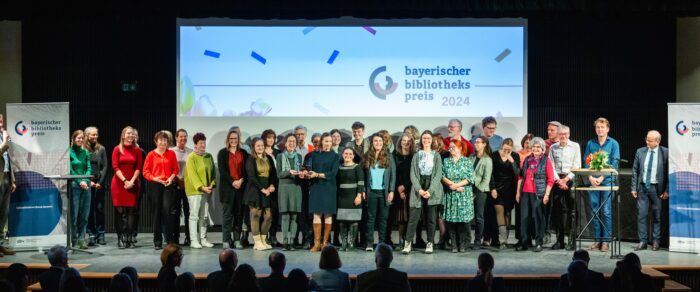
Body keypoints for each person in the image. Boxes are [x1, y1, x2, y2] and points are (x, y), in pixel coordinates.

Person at [583, 117, 620, 252]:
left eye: (602, 127)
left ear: (607, 129)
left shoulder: (613, 144)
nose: (600, 129)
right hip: (593, 181)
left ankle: (606, 241)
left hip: (607, 181)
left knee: (606, 211)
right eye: (598, 127)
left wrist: (602, 177)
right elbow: (586, 161)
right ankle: (597, 240)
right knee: (595, 211)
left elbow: (615, 163)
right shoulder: (590, 143)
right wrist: (591, 177)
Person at [403, 131, 443, 254]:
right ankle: (408, 243)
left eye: (428, 138)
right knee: (413, 218)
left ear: (432, 140)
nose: (426, 140)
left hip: (432, 188)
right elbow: (413, 174)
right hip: (418, 187)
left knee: (431, 218)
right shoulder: (416, 155)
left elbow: (438, 174)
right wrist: (419, 189)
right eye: (424, 138)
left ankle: (430, 243)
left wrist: (430, 190)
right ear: (421, 140)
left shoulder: (436, 155)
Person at [515, 137, 555, 252]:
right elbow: (520, 176)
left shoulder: (546, 161)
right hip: (525, 193)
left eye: (538, 147)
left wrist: (547, 195)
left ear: (542, 149)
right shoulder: (527, 159)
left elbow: (551, 179)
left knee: (538, 219)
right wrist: (518, 192)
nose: (536, 148)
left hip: (538, 194)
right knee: (524, 219)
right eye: (534, 146)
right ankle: (524, 242)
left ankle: (538, 243)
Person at [631, 130, 668, 251]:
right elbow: (635, 171)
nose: (647, 142)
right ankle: (643, 241)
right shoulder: (640, 151)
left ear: (657, 142)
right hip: (642, 187)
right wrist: (633, 188)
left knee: (657, 216)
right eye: (646, 139)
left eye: (650, 140)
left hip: (657, 188)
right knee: (641, 215)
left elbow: (669, 174)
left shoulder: (665, 152)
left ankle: (656, 241)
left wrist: (667, 190)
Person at [143, 130, 179, 249]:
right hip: (155, 185)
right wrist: (155, 178)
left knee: (168, 213)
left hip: (168, 185)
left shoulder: (171, 154)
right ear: (156, 141)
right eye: (161, 140)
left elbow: (175, 170)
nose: (163, 142)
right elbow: (145, 172)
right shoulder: (150, 155)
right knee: (157, 214)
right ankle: (157, 241)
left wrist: (171, 178)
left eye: (165, 140)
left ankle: (169, 240)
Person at [305, 133, 340, 252]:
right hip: (316, 187)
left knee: (328, 215)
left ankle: (325, 243)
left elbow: (333, 173)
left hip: (329, 187)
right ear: (321, 142)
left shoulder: (335, 156)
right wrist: (307, 174)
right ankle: (316, 243)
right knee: (316, 215)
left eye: (330, 141)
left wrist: (317, 174)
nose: (328, 144)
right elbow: (309, 169)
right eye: (326, 141)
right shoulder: (313, 155)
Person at [548, 125, 581, 250]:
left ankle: (571, 240)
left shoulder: (575, 146)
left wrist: (566, 180)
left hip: (571, 179)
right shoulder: (553, 147)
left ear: (569, 134)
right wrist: (559, 180)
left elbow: (577, 165)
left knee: (572, 211)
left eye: (566, 134)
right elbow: (551, 165)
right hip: (557, 180)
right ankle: (559, 240)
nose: (564, 136)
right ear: (558, 134)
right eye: (561, 134)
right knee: (558, 211)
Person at [111, 126, 143, 249]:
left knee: (131, 213)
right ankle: (120, 238)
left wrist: (132, 181)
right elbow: (115, 167)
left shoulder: (137, 150)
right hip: (119, 184)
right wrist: (125, 180)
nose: (130, 136)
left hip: (133, 184)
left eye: (132, 134)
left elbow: (138, 168)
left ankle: (129, 238)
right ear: (123, 135)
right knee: (120, 213)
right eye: (128, 133)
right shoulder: (117, 149)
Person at [440, 139, 475, 253]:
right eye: (449, 147)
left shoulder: (467, 161)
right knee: (451, 220)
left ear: (460, 148)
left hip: (463, 194)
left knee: (462, 221)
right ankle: (454, 244)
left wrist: (458, 185)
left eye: (453, 147)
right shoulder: (446, 161)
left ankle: (462, 244)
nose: (450, 149)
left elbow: (470, 177)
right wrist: (451, 184)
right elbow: (442, 175)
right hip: (451, 194)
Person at [364, 133, 396, 251]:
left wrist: (391, 190)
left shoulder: (388, 156)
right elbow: (364, 174)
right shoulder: (368, 155)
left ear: (383, 143)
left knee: (383, 219)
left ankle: (382, 243)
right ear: (372, 143)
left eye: (380, 141)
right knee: (370, 218)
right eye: (376, 141)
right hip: (371, 191)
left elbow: (393, 174)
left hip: (384, 192)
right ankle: (369, 243)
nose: (378, 143)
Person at [217, 130, 249, 249]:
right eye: (231, 139)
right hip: (227, 189)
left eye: (235, 138)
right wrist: (233, 182)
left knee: (238, 215)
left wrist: (241, 181)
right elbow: (222, 171)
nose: (233, 141)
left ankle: (236, 239)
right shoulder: (222, 153)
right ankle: (226, 240)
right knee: (227, 215)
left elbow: (247, 170)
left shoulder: (244, 153)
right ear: (228, 140)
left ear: (238, 139)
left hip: (241, 188)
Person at [244, 137, 278, 250]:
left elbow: (273, 174)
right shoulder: (250, 159)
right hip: (255, 190)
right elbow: (252, 177)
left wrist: (272, 185)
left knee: (268, 216)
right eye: (258, 145)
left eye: (262, 145)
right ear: (254, 147)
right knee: (255, 214)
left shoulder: (268, 157)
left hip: (268, 189)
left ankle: (263, 240)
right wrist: (262, 189)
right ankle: (257, 242)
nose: (260, 147)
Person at [185, 132, 216, 249]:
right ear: (195, 144)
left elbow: (213, 173)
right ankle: (194, 240)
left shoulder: (209, 156)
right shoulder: (191, 157)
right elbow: (193, 176)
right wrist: (202, 187)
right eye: (200, 143)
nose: (203, 145)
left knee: (204, 216)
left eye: (204, 142)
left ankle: (203, 239)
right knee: (194, 216)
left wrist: (212, 185)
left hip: (206, 190)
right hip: (195, 191)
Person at [489, 138, 520, 249]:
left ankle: (505, 239)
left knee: (507, 213)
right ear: (502, 145)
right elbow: (490, 173)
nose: (507, 147)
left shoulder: (515, 156)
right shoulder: (494, 155)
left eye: (509, 146)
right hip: (497, 188)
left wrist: (511, 160)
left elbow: (517, 173)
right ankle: (503, 240)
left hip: (510, 188)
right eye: (505, 145)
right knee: (499, 211)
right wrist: (492, 188)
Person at [276, 134, 303, 250]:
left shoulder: (299, 157)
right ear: (285, 143)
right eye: (289, 141)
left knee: (294, 217)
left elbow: (300, 171)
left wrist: (302, 174)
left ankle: (292, 241)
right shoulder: (280, 156)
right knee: (285, 216)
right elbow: (279, 174)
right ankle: (285, 241)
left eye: (293, 141)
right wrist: (289, 172)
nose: (291, 143)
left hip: (296, 188)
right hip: (284, 188)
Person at [336, 148, 365, 251]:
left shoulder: (357, 167)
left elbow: (361, 182)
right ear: (342, 155)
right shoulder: (339, 167)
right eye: (346, 153)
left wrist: (359, 196)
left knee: (353, 220)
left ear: (353, 156)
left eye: (350, 154)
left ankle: (352, 243)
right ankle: (344, 243)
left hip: (353, 196)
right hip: (342, 197)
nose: (348, 155)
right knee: (342, 221)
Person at [84, 126, 108, 246]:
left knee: (99, 209)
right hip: (87, 183)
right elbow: (82, 167)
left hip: (99, 183)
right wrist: (89, 182)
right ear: (87, 135)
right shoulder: (83, 149)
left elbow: (105, 167)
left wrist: (100, 182)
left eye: (96, 134)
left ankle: (101, 234)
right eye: (92, 135)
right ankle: (91, 234)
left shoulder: (101, 149)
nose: (95, 137)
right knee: (88, 210)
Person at [69, 130, 92, 249]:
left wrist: (86, 181)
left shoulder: (86, 152)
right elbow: (71, 170)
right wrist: (80, 181)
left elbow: (88, 168)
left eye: (82, 138)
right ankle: (74, 239)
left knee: (84, 215)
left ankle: (82, 239)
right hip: (75, 186)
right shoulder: (69, 152)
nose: (80, 140)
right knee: (74, 215)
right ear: (73, 139)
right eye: (78, 138)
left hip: (86, 186)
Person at [391, 134, 415, 249]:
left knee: (411, 217)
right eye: (403, 140)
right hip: (397, 190)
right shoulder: (394, 156)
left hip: (411, 190)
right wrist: (398, 189)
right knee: (401, 218)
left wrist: (405, 187)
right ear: (400, 142)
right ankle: (401, 241)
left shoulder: (414, 156)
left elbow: (415, 175)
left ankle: (409, 241)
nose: (406, 143)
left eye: (408, 141)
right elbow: (392, 173)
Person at [171, 129, 193, 246]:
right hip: (175, 185)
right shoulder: (171, 151)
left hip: (188, 185)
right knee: (175, 213)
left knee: (188, 213)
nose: (183, 138)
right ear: (176, 137)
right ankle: (175, 237)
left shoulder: (190, 151)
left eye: (185, 136)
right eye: (181, 136)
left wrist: (185, 182)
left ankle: (188, 237)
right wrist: (178, 181)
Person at [472, 136, 493, 249]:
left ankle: (477, 241)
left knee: (479, 217)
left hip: (481, 191)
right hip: (470, 189)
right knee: (469, 217)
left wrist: (476, 192)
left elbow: (486, 179)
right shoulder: (472, 157)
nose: (476, 144)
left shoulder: (487, 160)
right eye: (475, 142)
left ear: (484, 144)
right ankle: (466, 239)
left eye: (479, 142)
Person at [262, 129, 282, 247]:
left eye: (272, 138)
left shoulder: (278, 152)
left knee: (274, 211)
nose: (271, 140)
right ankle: (263, 237)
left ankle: (273, 236)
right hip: (263, 186)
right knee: (264, 213)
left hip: (275, 185)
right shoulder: (259, 150)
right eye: (268, 137)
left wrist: (273, 185)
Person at [0, 114, 16, 257]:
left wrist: (12, 179)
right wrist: (4, 141)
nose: (1, 123)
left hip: (6, 177)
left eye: (2, 120)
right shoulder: (4, 139)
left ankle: (0, 245)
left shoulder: (3, 136)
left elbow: (8, 159)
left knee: (3, 214)